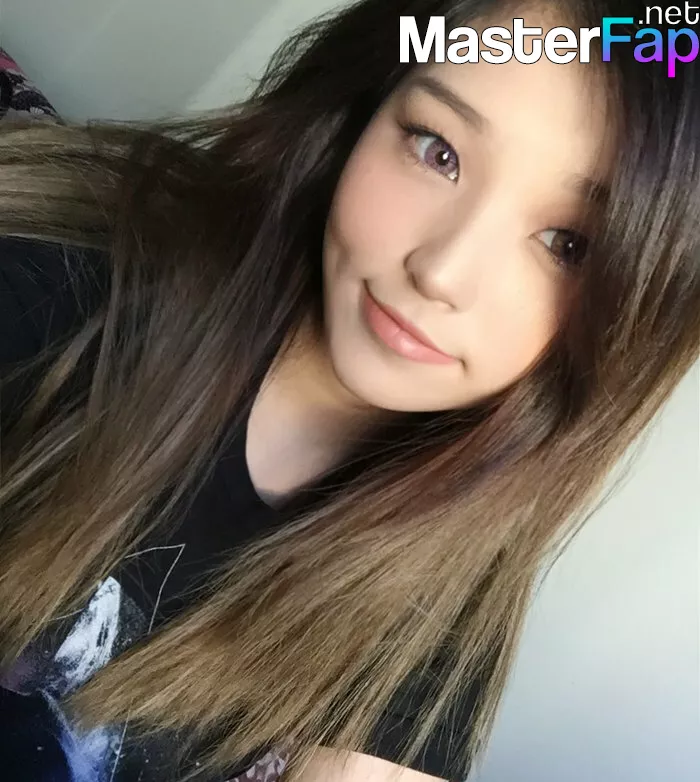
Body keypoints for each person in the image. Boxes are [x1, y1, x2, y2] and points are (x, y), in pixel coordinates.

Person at [0, 1, 697, 781]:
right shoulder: (68, 280)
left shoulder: (437, 603)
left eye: (568, 244)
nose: (441, 272)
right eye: (437, 151)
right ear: (365, 105)